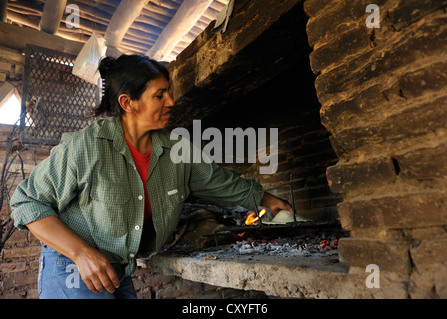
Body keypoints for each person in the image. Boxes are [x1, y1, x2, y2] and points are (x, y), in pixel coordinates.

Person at [10, 54, 292, 299]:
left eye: (168, 92)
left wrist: (266, 199)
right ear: (128, 103)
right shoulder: (86, 146)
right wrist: (82, 253)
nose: (171, 101)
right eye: (159, 95)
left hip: (117, 269)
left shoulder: (176, 150)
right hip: (71, 266)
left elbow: (218, 181)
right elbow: (27, 203)